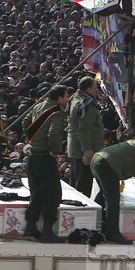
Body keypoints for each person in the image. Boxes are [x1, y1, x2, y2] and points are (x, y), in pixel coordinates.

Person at [22, 85, 70, 242]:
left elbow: (25, 120)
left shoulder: (40, 106)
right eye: (66, 96)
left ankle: (30, 227)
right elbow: (55, 133)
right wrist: (55, 151)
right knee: (52, 194)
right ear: (59, 98)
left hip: (32, 156)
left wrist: (32, 139)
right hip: (45, 157)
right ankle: (47, 232)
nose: (67, 99)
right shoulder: (57, 112)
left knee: (36, 193)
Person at [67, 76, 103, 196]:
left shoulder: (75, 99)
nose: (96, 90)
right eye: (94, 88)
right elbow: (84, 129)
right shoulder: (87, 104)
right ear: (88, 89)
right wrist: (87, 149)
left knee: (76, 183)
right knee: (83, 188)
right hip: (83, 150)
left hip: (75, 148)